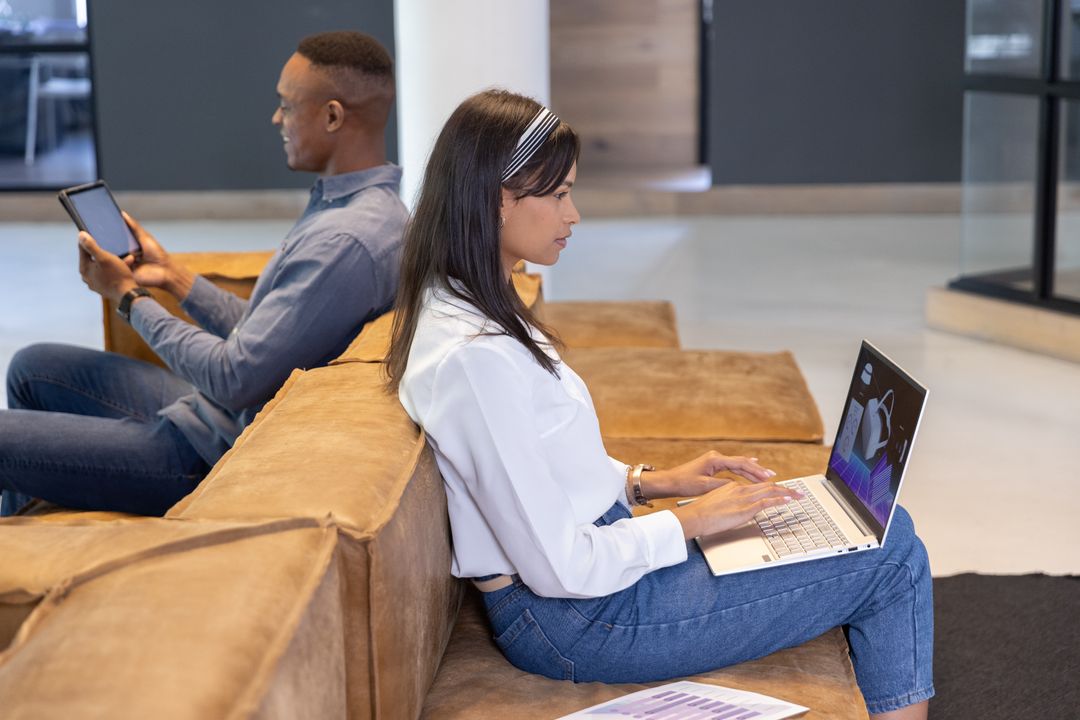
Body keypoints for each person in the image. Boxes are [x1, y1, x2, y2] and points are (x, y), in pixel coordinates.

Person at [385, 89, 933, 720]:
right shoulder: (473, 359)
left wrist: (653, 483)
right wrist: (692, 521)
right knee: (893, 557)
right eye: (559, 194)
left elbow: (546, 474)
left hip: (600, 578)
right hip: (578, 620)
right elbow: (560, 567)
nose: (575, 214)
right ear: (496, 200)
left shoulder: (474, 302)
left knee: (864, 525)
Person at [0, 31, 407, 516]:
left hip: (203, 458)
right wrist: (173, 276)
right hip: (215, 418)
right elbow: (264, 333)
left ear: (333, 115)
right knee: (33, 366)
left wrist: (128, 297)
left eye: (287, 105)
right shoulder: (358, 211)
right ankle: (27, 536)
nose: (277, 118)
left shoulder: (346, 243)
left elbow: (235, 377)